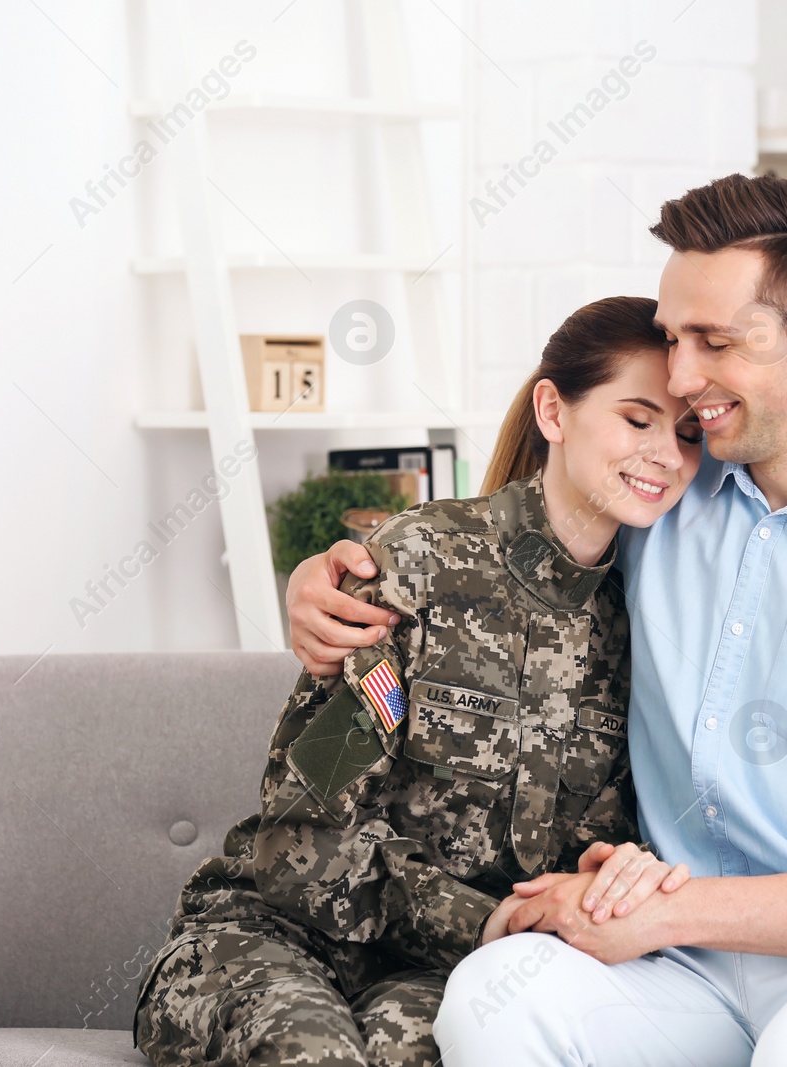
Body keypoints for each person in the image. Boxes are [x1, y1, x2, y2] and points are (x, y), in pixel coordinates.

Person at [285, 174, 787, 1066]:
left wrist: (672, 909)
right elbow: (505, 556)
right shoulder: (668, 491)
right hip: (684, 969)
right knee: (497, 1004)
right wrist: (337, 578)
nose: (682, 380)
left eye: (715, 341)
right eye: (673, 336)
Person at [132, 295, 705, 1067]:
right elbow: (303, 836)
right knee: (314, 1054)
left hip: (442, 973)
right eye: (638, 420)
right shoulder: (416, 564)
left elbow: (594, 855)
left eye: (688, 431)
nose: (666, 453)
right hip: (274, 934)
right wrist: (485, 919)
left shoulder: (645, 623)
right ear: (553, 410)